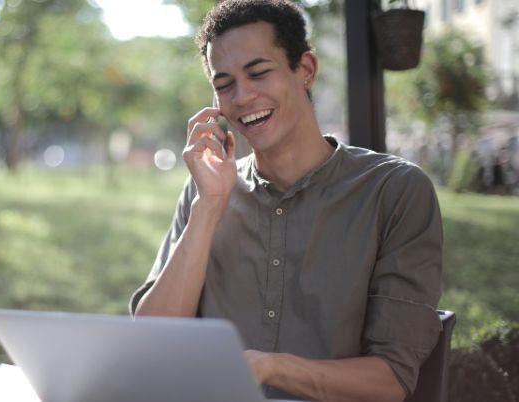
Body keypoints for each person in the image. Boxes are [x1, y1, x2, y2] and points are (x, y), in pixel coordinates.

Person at [129, 1, 443, 401]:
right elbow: (152, 342)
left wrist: (269, 366)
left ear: (306, 70)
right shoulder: (205, 190)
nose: (242, 97)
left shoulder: (395, 191)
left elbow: (391, 382)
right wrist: (208, 206)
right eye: (224, 84)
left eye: (259, 73)